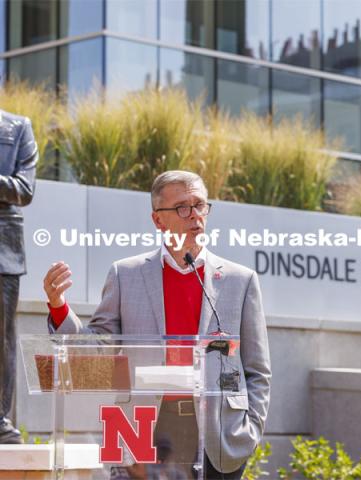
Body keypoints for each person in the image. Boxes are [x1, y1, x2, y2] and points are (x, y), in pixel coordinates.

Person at [43, 170, 271, 479]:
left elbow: (257, 371)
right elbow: (97, 350)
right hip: (145, 428)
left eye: (200, 205)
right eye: (182, 207)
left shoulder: (240, 281)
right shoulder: (126, 275)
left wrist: (249, 431)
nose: (195, 216)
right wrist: (59, 308)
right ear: (158, 220)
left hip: (218, 435)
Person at [0, 109, 38, 444]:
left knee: (2, 339)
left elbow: (24, 190)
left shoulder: (17, 127)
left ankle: (0, 421)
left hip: (3, 249)